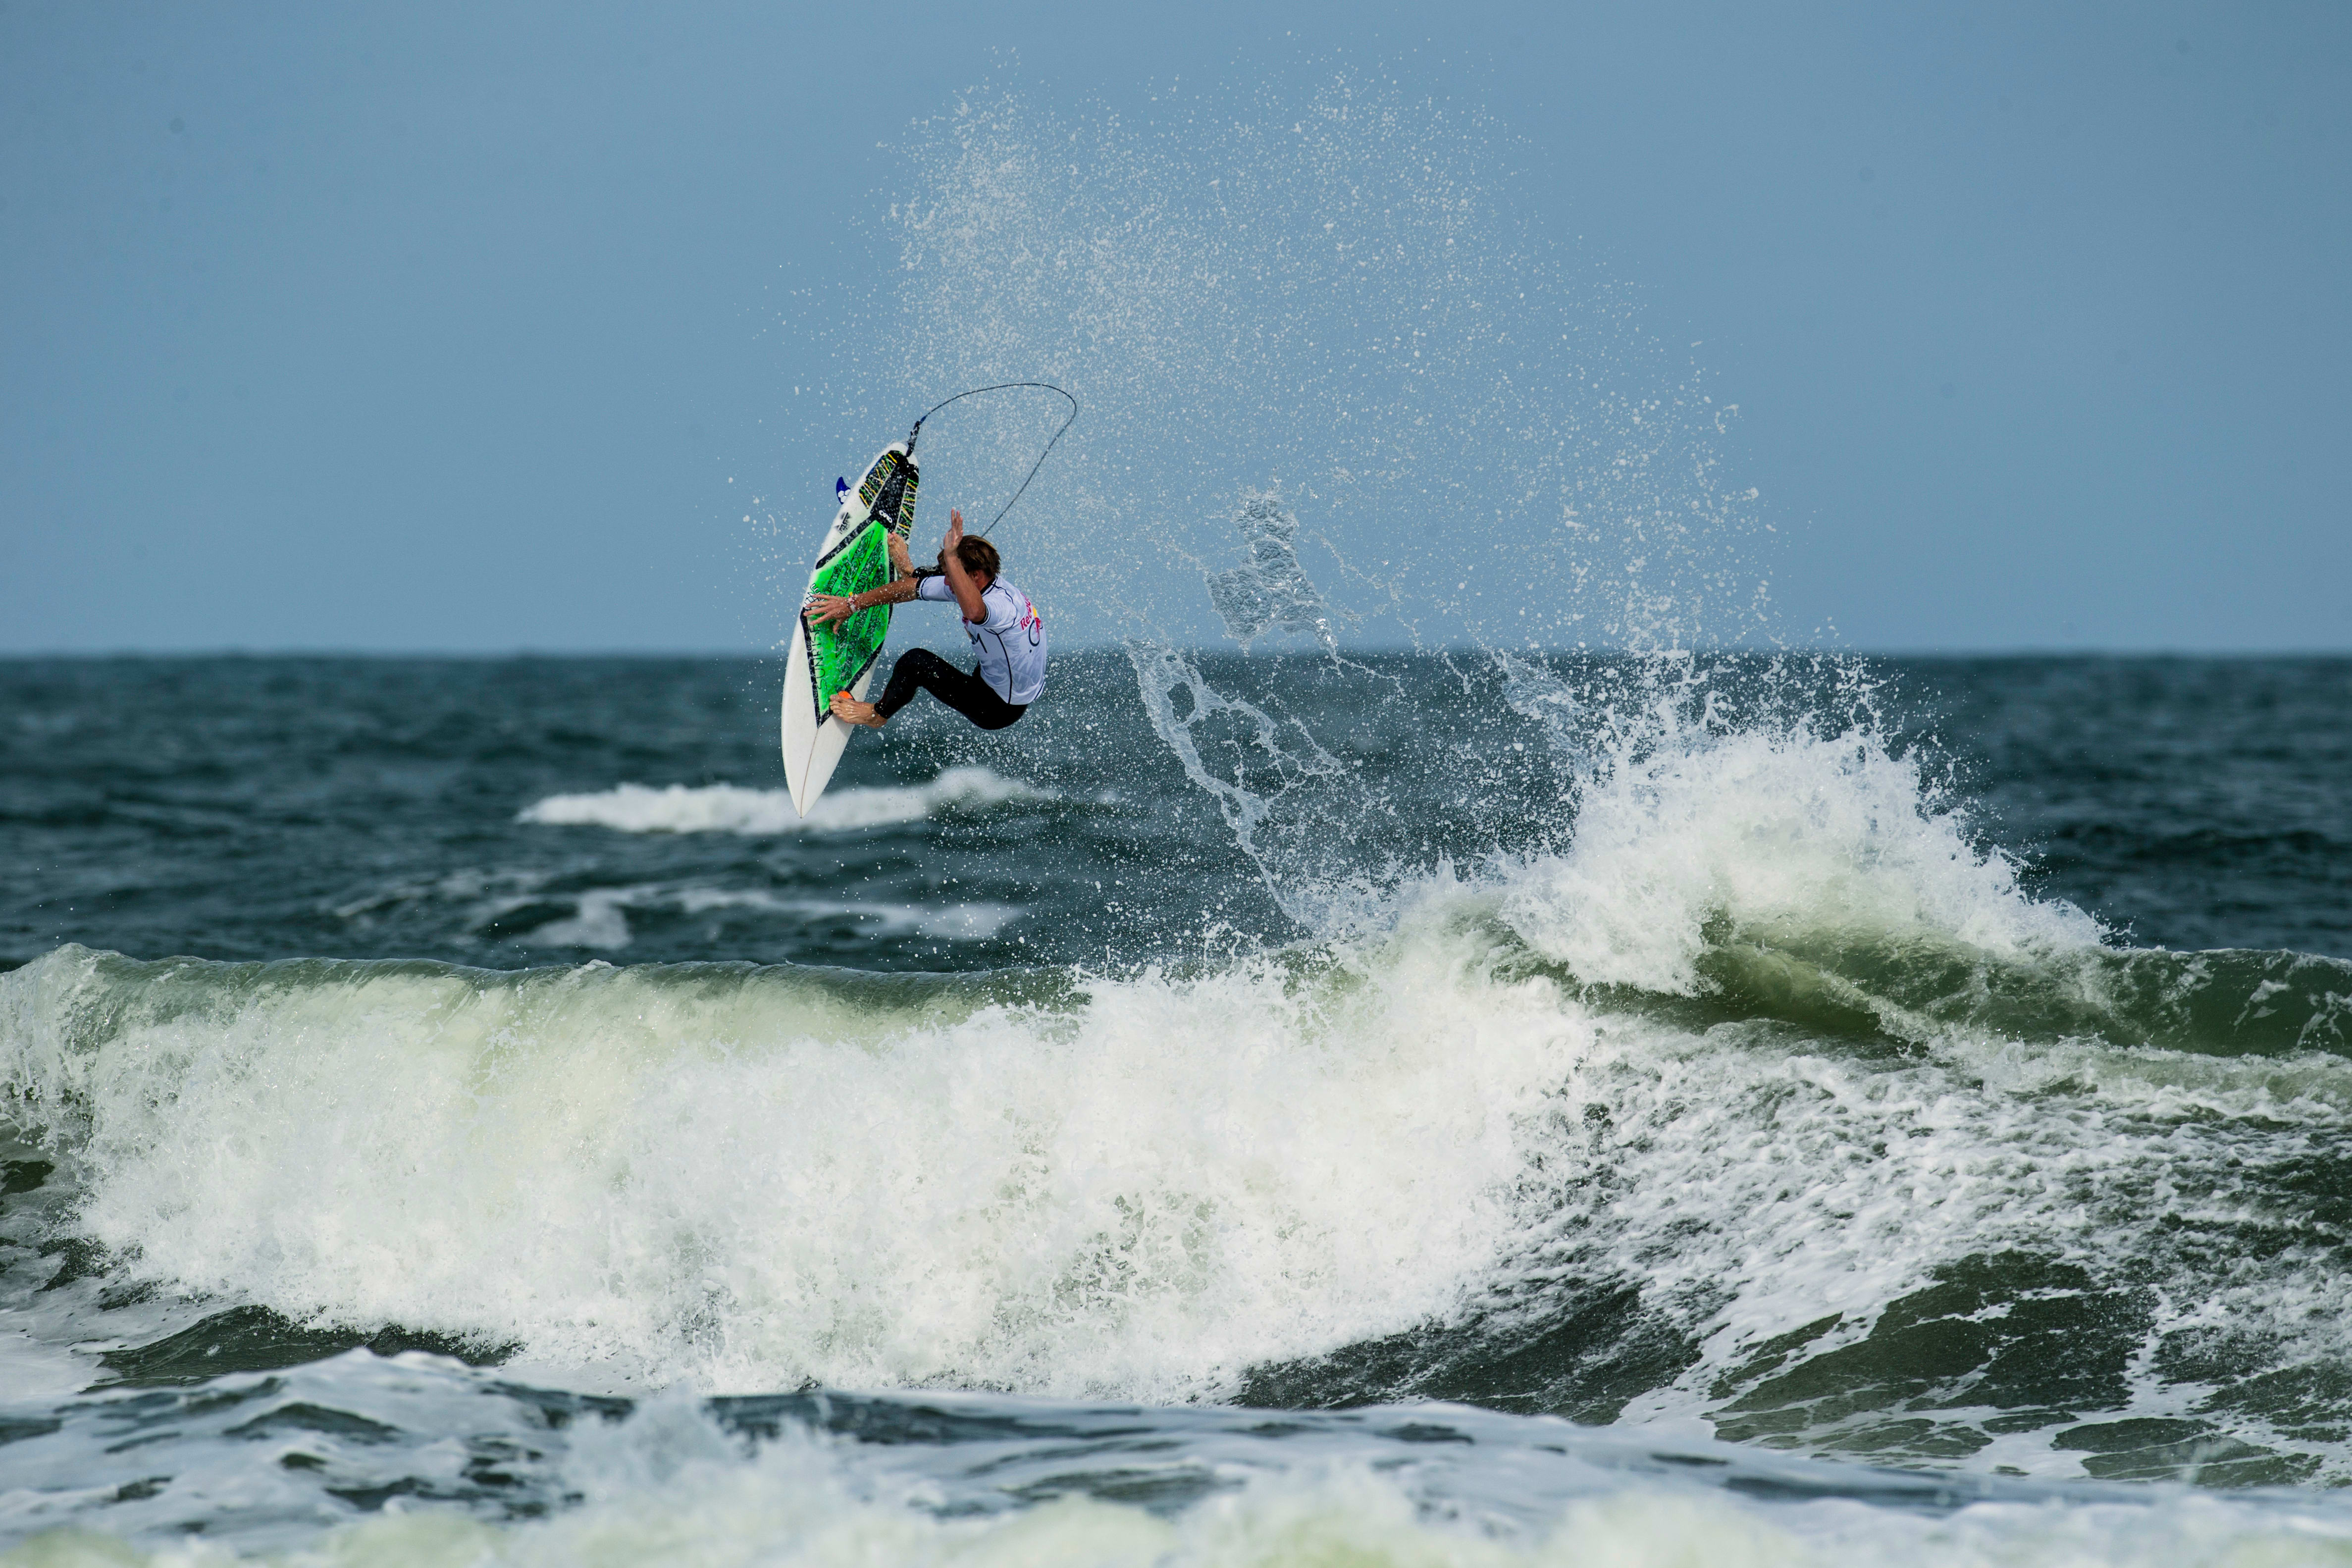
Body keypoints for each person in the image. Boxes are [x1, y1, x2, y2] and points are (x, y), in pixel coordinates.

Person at [806, 508, 1046, 731]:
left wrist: (952, 557)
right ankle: (909, 568)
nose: (948, 582)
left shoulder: (1002, 607)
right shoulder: (981, 584)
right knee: (925, 580)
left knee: (915, 663)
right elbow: (909, 590)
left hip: (998, 707)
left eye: (952, 575)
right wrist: (851, 604)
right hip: (1000, 679)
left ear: (975, 575)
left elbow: (974, 612)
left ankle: (876, 716)